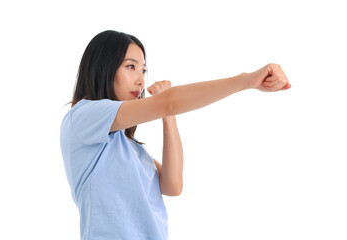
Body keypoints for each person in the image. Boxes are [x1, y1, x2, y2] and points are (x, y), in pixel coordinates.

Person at [60, 30, 291, 240]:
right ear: (104, 66)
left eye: (143, 70)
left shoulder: (129, 147)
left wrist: (167, 116)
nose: (141, 80)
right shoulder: (83, 116)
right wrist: (245, 80)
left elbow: (173, 185)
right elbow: (168, 103)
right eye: (130, 67)